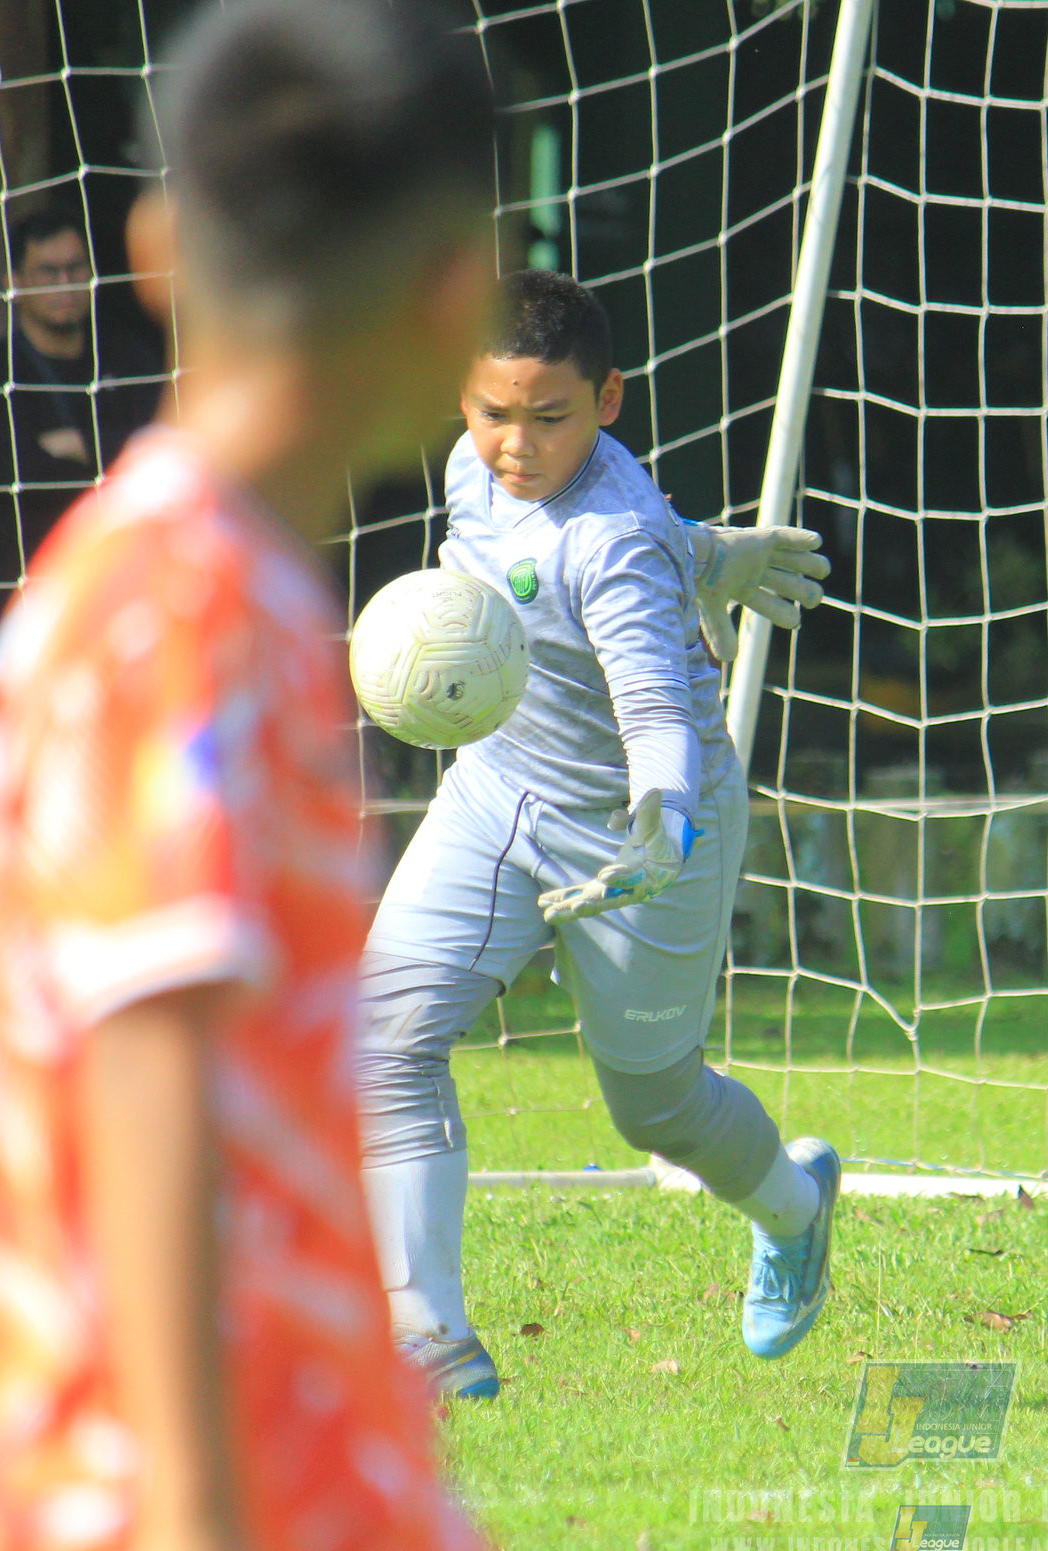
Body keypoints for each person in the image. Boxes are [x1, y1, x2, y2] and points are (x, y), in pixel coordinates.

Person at [0, 5, 535, 1551]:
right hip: (151, 1477)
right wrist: (188, 1529)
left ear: (157, 255)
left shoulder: (118, 568)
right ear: (457, 293)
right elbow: (150, 1037)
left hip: (147, 1442)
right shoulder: (198, 609)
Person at [354, 268, 837, 1399]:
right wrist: (705, 551)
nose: (515, 445)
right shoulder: (471, 468)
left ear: (608, 399)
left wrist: (662, 816)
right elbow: (544, 549)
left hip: (647, 833)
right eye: (492, 412)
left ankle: (794, 1206)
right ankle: (429, 1337)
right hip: (496, 795)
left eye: (550, 417)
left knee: (653, 1107)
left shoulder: (616, 543)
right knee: (381, 1039)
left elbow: (653, 705)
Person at [0, 207, 165, 661]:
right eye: (48, 272)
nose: (64, 284)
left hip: (121, 594)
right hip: (14, 597)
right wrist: (116, 457)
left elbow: (168, 455)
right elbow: (23, 477)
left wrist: (82, 444)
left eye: (75, 269)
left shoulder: (130, 359)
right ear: (15, 282)